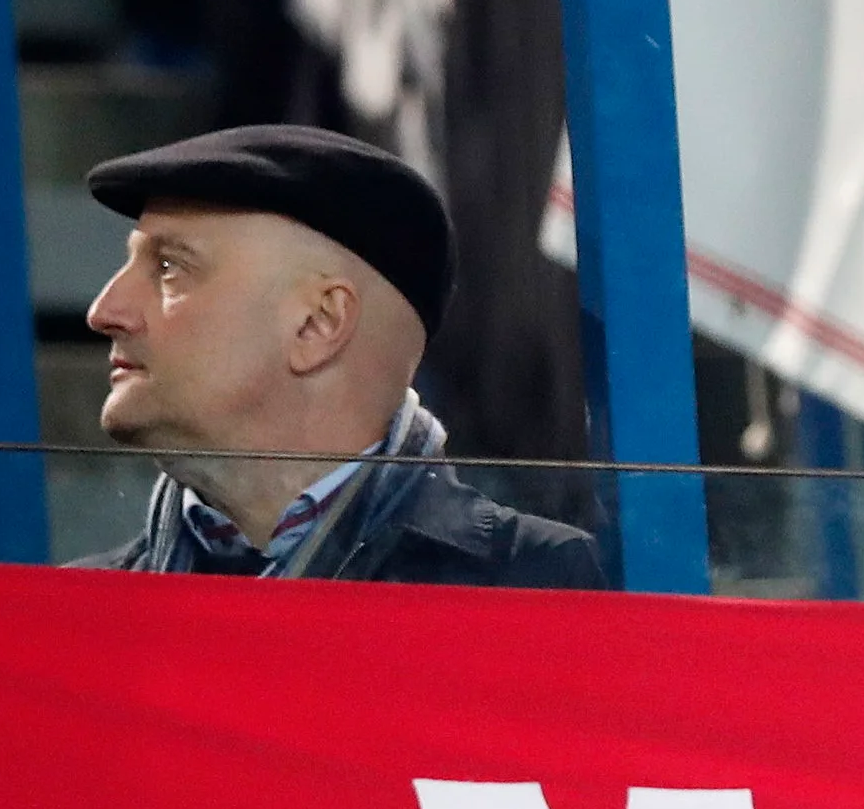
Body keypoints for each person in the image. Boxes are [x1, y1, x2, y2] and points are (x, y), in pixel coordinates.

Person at [75, 126, 599, 586]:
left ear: (317, 323)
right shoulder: (74, 617)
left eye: (169, 267)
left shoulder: (532, 588)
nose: (104, 310)